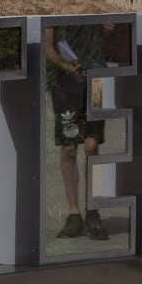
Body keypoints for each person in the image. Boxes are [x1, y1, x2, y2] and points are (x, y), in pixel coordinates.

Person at [45, 24, 111, 240]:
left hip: (97, 79)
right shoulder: (54, 4)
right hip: (66, 84)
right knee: (69, 148)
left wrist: (107, 27)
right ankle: (74, 214)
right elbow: (47, 48)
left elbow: (109, 30)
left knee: (92, 146)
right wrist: (64, 65)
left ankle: (93, 211)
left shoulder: (94, 0)